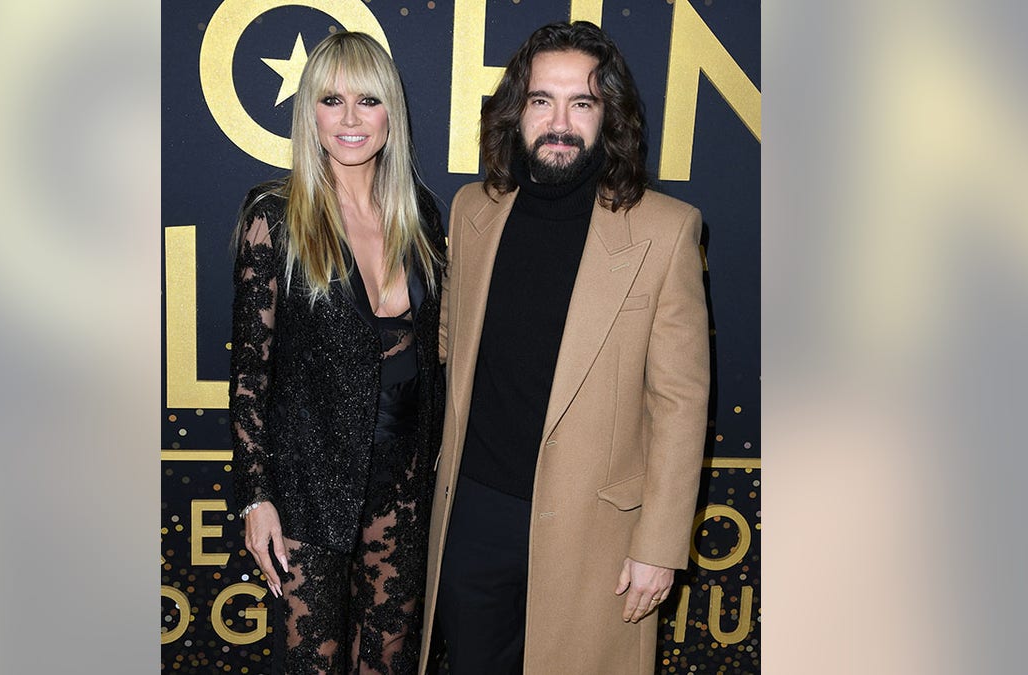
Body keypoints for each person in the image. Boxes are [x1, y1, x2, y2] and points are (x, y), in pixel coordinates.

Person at [420, 21, 710, 675]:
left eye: (582, 102)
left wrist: (659, 544)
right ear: (516, 111)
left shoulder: (666, 232)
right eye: (541, 100)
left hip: (594, 532)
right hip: (475, 511)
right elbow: (447, 343)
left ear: (609, 116)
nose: (560, 121)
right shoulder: (472, 211)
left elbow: (681, 404)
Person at [229, 31, 445, 674]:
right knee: (311, 663)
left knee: (390, 660)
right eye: (331, 100)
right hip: (306, 481)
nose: (351, 119)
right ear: (309, 113)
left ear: (392, 113)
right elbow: (248, 373)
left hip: (404, 483)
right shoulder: (277, 214)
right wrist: (255, 494)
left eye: (368, 100)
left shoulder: (422, 216)